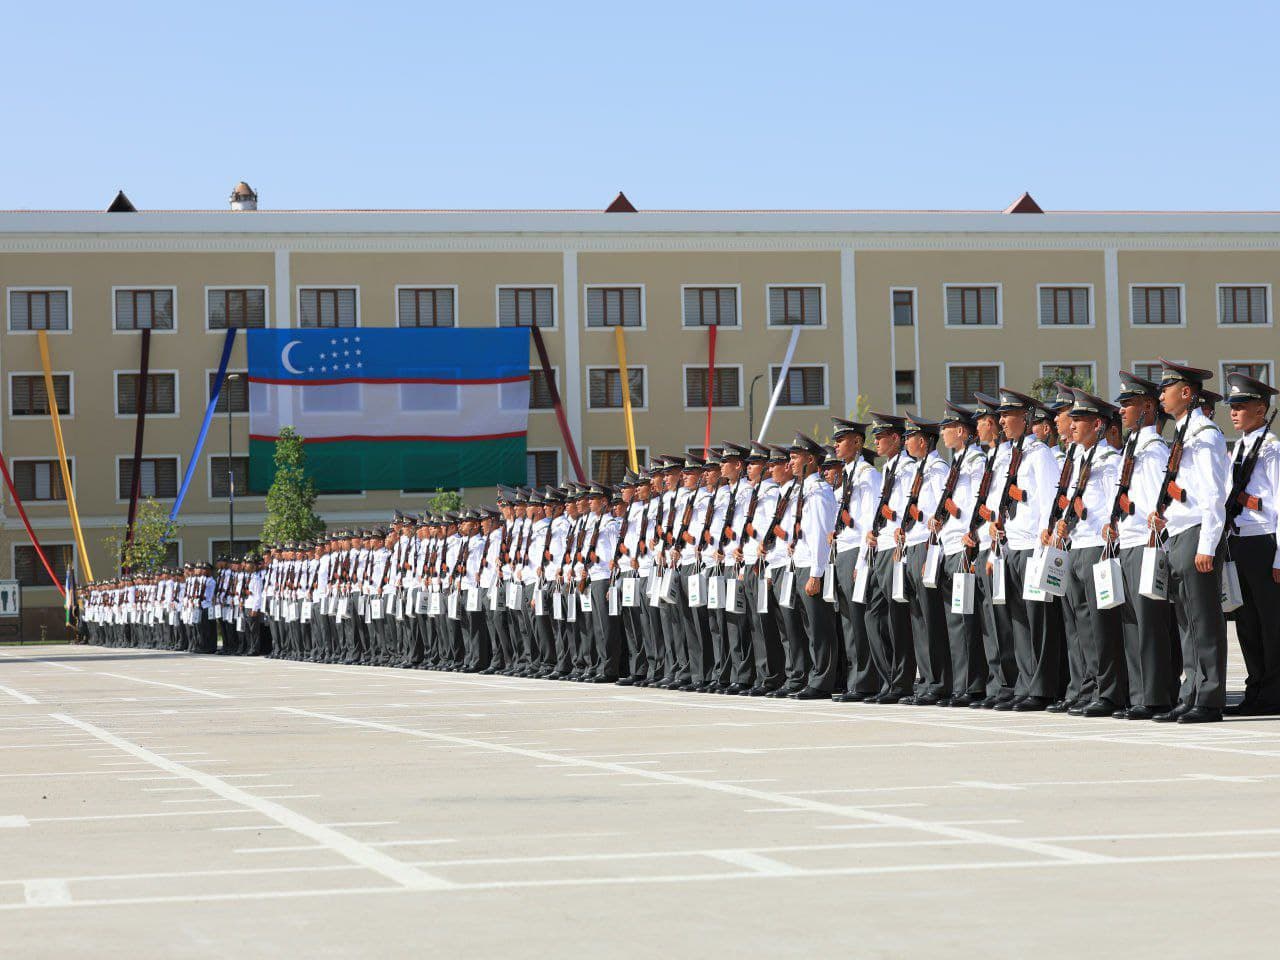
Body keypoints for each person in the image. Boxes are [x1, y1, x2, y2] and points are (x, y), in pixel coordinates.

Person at [1150, 359, 1230, 724]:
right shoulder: (1181, 435)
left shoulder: (1206, 435)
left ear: (1186, 392)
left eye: (1167, 389)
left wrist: (1207, 545)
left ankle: (1209, 697)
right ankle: (1190, 692)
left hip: (1198, 532)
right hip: (1179, 532)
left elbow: (1213, 496)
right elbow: (1188, 493)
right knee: (1185, 621)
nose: (1161, 395)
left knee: (1204, 620)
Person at [1221, 371, 1280, 715]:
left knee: (1271, 623)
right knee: (1247, 624)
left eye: (1241, 405)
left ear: (1261, 409)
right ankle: (1255, 688)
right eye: (1232, 405)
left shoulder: (1271, 450)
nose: (1234, 412)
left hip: (1264, 543)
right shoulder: (1239, 448)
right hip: (1239, 543)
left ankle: (1273, 691)